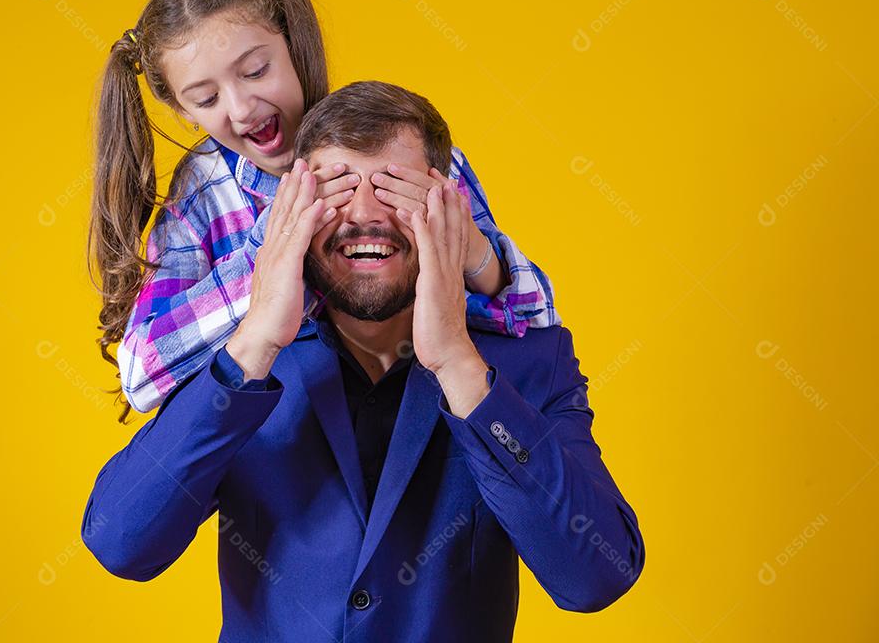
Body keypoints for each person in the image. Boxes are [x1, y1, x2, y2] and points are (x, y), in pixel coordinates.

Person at [82, 82, 644, 642]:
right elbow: (120, 541)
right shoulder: (239, 361)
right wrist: (254, 342)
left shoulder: (528, 359)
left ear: (449, 207)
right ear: (290, 215)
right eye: (336, 191)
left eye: (395, 190)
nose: (365, 215)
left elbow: (596, 576)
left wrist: (459, 366)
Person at [90, 0, 559, 421]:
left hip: (426, 430)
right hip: (290, 458)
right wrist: (272, 257)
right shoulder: (202, 195)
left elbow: (538, 320)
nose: (241, 107)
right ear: (183, 111)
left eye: (255, 71)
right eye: (207, 99)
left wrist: (470, 250)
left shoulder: (407, 150)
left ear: (295, 46)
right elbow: (141, 374)